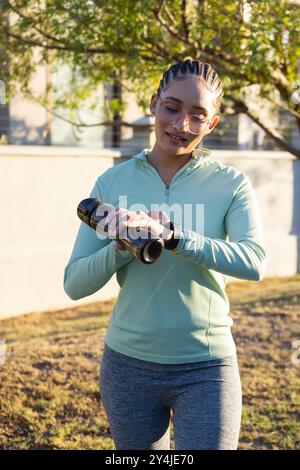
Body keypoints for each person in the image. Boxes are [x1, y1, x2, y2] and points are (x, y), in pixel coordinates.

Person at [63, 59, 267, 450]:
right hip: (127, 366)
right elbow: (74, 284)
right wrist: (122, 247)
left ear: (212, 123)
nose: (181, 125)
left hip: (207, 367)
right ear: (154, 104)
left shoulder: (231, 184)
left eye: (197, 115)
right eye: (172, 108)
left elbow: (254, 261)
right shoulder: (112, 181)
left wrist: (175, 237)